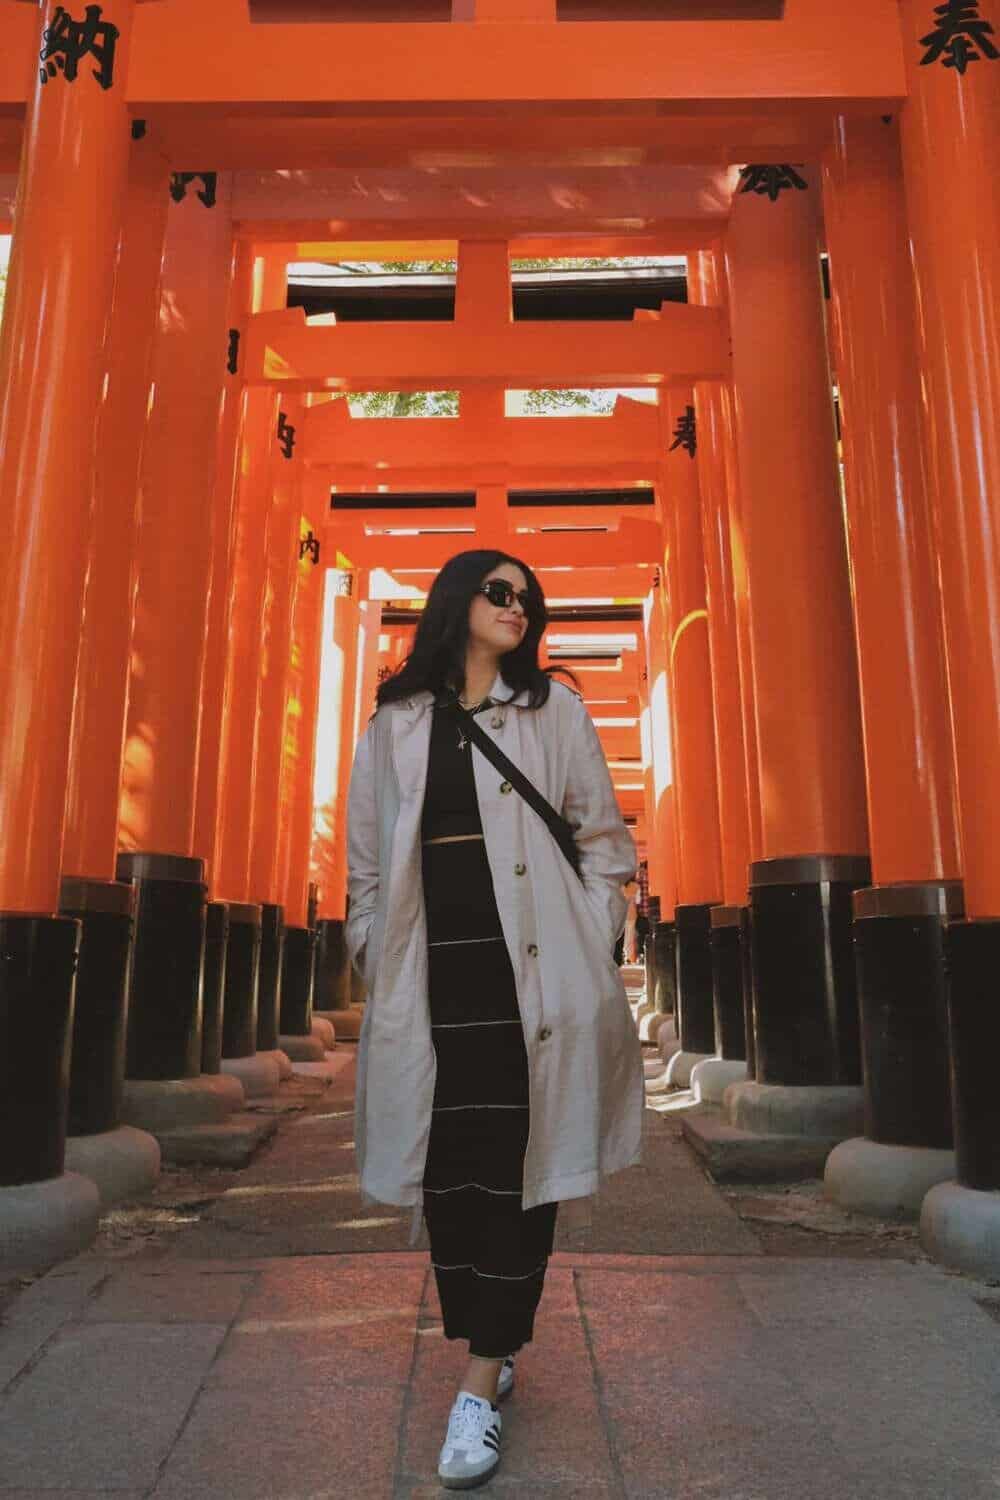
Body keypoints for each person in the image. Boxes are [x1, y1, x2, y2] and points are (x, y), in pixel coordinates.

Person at [345, 549, 644, 1490]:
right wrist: (371, 947)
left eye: (529, 598)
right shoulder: (394, 724)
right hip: (433, 987)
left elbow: (604, 845)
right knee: (452, 1177)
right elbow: (364, 866)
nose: (519, 608)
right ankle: (490, 1334)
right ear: (455, 602)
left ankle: (480, 1378)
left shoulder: (555, 712)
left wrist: (589, 936)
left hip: (534, 983)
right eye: (500, 592)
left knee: (523, 1172)